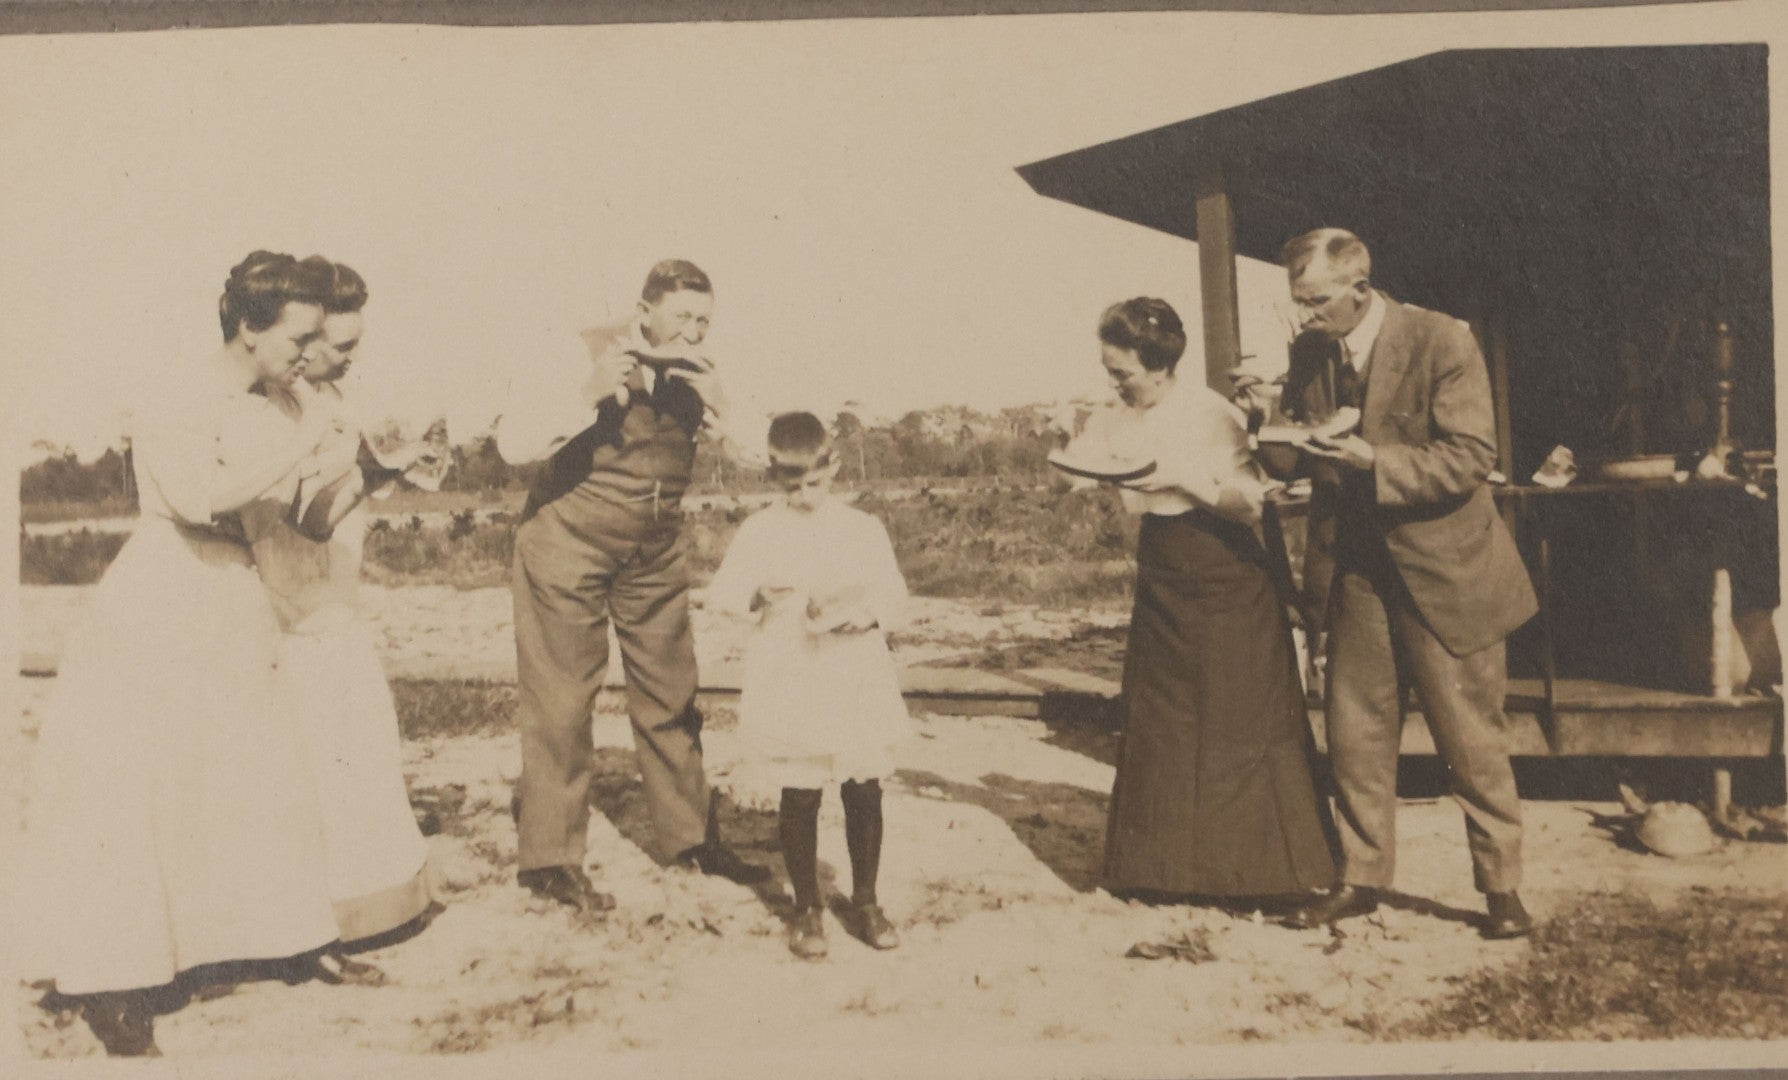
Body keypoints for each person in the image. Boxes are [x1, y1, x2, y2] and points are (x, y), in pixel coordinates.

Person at [19, 252, 348, 1055]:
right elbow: (203, 497)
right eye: (299, 338)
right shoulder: (178, 393)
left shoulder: (274, 402)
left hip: (232, 592)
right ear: (247, 327)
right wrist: (308, 434)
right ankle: (109, 983)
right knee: (135, 781)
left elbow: (295, 515)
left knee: (240, 764)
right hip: (163, 594)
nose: (310, 354)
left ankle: (269, 940)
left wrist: (358, 463)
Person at [1264, 228, 1539, 940]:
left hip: (1447, 571)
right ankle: (1361, 878)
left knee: (1472, 742)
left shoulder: (1442, 340)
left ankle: (1502, 892)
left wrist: (1371, 462)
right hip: (1357, 570)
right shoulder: (1310, 351)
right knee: (1354, 736)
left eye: (1318, 301)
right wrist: (1273, 430)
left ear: (1361, 287)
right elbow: (1297, 456)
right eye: (1299, 303)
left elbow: (1471, 456)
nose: (1307, 317)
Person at [495, 259, 770, 914]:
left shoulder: (699, 373)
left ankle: (691, 840)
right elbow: (513, 445)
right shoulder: (582, 352)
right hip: (567, 543)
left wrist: (724, 399)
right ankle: (550, 860)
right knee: (562, 703)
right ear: (643, 310)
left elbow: (761, 455)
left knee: (672, 694)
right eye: (683, 318)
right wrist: (589, 391)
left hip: (652, 551)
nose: (695, 331)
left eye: (704, 320)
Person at [1058, 298, 1338, 905]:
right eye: (1110, 371)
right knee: (1166, 719)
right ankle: (1162, 872)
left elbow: (1248, 505)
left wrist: (1183, 481)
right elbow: (1075, 471)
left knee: (1236, 719)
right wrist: (1074, 443)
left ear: (1158, 365)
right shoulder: (1116, 413)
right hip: (1163, 566)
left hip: (1226, 568)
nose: (1115, 383)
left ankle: (1262, 876)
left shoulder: (1209, 414)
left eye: (1122, 372)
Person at [240, 257, 438, 981]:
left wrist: (390, 461)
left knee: (357, 740)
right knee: (311, 759)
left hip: (335, 596)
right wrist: (373, 470)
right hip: (289, 601)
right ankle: (312, 926)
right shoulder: (272, 409)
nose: (350, 359)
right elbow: (309, 516)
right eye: (338, 346)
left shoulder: (331, 398)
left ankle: (371, 905)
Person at [704, 412, 912, 959]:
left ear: (834, 467)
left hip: (852, 673)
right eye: (790, 486)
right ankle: (807, 907)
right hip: (792, 672)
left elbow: (895, 598)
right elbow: (724, 595)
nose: (803, 496)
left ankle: (864, 900)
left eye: (814, 484)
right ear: (772, 477)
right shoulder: (761, 530)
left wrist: (865, 615)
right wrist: (757, 596)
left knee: (863, 784)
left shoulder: (862, 529)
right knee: (800, 790)